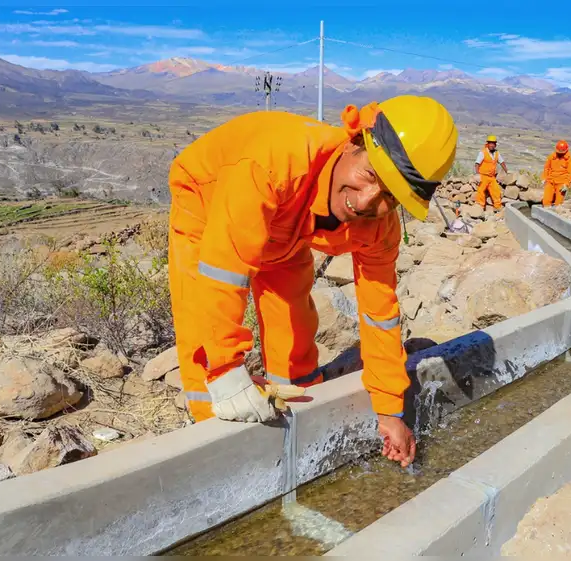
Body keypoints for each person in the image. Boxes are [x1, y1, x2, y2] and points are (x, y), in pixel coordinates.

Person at [166, 95, 458, 468]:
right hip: (208, 200)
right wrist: (224, 369)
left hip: (285, 224)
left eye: (389, 195)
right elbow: (222, 275)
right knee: (205, 344)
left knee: (294, 337)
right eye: (370, 176)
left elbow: (378, 315)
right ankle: (213, 446)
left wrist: (389, 410)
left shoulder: (379, 225)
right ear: (354, 143)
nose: (367, 201)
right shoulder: (271, 165)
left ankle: (295, 439)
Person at [474, 135, 509, 210]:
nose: (492, 145)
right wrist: (477, 174)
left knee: (496, 192)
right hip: (483, 176)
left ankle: (498, 207)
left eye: (493, 143)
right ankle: (480, 208)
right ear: (487, 144)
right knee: (481, 191)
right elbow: (477, 164)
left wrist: (507, 172)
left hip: (492, 177)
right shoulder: (483, 152)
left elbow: (502, 162)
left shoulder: (496, 153)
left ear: (495, 144)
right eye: (490, 143)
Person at [542, 140, 571, 207]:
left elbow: (570, 173)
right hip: (550, 181)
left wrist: (566, 184)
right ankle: (545, 213)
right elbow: (546, 168)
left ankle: (555, 215)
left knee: (558, 204)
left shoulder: (569, 159)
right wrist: (544, 178)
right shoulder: (551, 156)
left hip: (561, 184)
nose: (560, 153)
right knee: (546, 201)